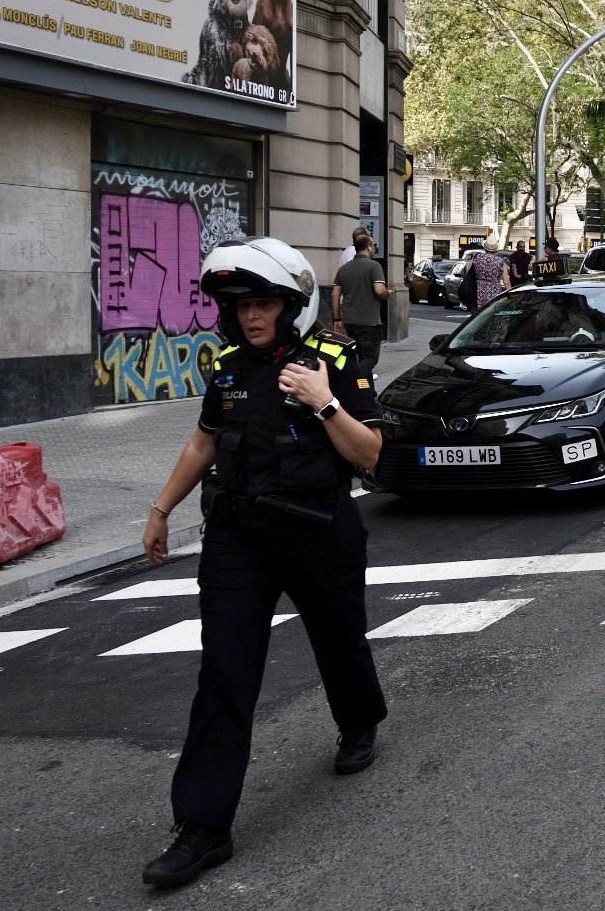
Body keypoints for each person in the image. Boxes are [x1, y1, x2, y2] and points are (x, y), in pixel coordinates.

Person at [139, 237, 387, 889]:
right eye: (241, 305)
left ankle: (358, 720)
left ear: (291, 304)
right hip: (237, 539)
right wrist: (162, 508)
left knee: (339, 642)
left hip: (318, 531)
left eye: (264, 303)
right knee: (224, 672)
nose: (251, 317)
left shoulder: (334, 358)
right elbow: (203, 441)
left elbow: (369, 455)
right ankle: (202, 828)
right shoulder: (225, 367)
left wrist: (323, 401)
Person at [332, 233, 388, 378]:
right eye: (373, 245)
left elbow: (335, 294)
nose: (374, 248)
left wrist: (337, 319)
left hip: (349, 321)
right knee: (371, 359)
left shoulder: (343, 269)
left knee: (360, 357)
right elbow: (379, 290)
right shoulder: (374, 266)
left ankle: (367, 391)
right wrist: (388, 293)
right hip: (369, 322)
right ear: (368, 247)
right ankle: (350, 379)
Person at [469, 235, 510, 312]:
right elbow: (506, 282)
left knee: (478, 317)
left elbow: (469, 273)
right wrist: (511, 295)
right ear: (495, 250)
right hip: (494, 292)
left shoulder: (477, 258)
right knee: (491, 315)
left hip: (478, 291)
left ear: (485, 248)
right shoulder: (501, 261)